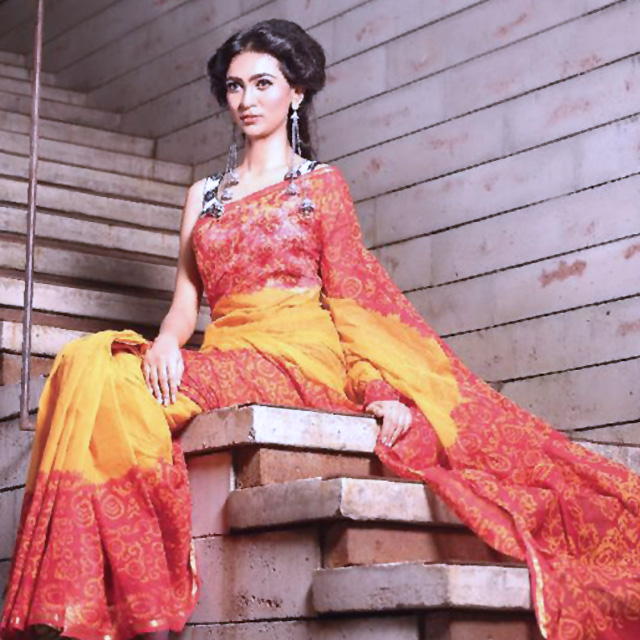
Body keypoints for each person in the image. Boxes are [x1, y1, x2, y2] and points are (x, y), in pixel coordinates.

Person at [2, 17, 640, 640]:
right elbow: (185, 303)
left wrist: (378, 388)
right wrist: (168, 340)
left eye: (263, 83)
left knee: (104, 373)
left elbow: (352, 300)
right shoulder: (204, 194)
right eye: (234, 85)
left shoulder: (321, 186)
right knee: (93, 362)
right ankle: (131, 606)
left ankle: (135, 611)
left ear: (297, 92)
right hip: (226, 349)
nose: (246, 99)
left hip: (297, 359)